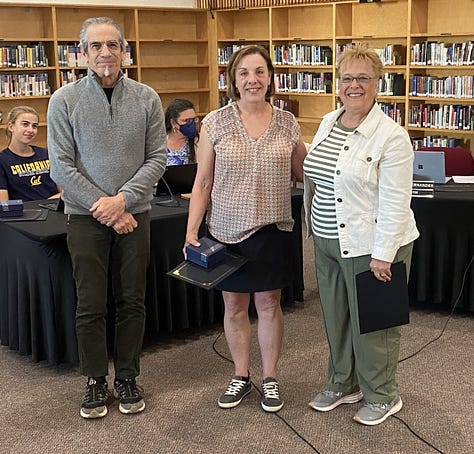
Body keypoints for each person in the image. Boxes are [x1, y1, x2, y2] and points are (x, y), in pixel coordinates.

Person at [47, 17, 167, 419]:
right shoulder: (63, 100)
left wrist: (124, 202)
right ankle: (96, 380)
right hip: (85, 218)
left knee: (133, 300)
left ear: (124, 51)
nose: (105, 53)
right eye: (95, 46)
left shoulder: (148, 97)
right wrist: (106, 206)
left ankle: (128, 376)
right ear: (82, 53)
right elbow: (61, 168)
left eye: (112, 45)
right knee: (90, 304)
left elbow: (157, 158)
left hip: (135, 214)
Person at [184, 45, 307, 413]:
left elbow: (305, 174)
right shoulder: (216, 123)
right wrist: (192, 230)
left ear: (270, 77)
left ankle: (270, 378)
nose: (252, 79)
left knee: (269, 304)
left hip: (273, 228)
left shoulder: (287, 122)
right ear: (232, 80)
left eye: (259, 72)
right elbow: (202, 181)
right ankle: (241, 374)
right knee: (234, 305)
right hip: (226, 230)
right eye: (244, 73)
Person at [303, 43, 419, 426]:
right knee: (336, 316)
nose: (354, 85)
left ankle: (383, 394)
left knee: (375, 323)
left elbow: (395, 203)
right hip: (327, 240)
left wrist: (384, 254)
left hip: (373, 245)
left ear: (377, 84)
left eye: (363, 78)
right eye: (347, 78)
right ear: (338, 83)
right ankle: (342, 382)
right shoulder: (327, 122)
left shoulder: (392, 137)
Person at [0, 106, 60, 202]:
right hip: (22, 215)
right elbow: (4, 204)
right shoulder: (2, 160)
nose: (31, 130)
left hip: (52, 210)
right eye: (25, 124)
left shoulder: (47, 154)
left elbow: (64, 192)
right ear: (11, 127)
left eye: (34, 126)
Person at [165, 98, 199, 166]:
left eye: (194, 119)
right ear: (173, 123)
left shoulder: (198, 142)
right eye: (186, 121)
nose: (191, 124)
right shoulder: (159, 142)